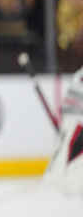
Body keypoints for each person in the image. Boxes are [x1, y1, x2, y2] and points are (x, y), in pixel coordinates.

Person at [44, 66, 83, 195]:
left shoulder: (79, 73)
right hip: (76, 119)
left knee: (64, 151)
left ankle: (56, 180)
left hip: (72, 119)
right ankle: (62, 181)